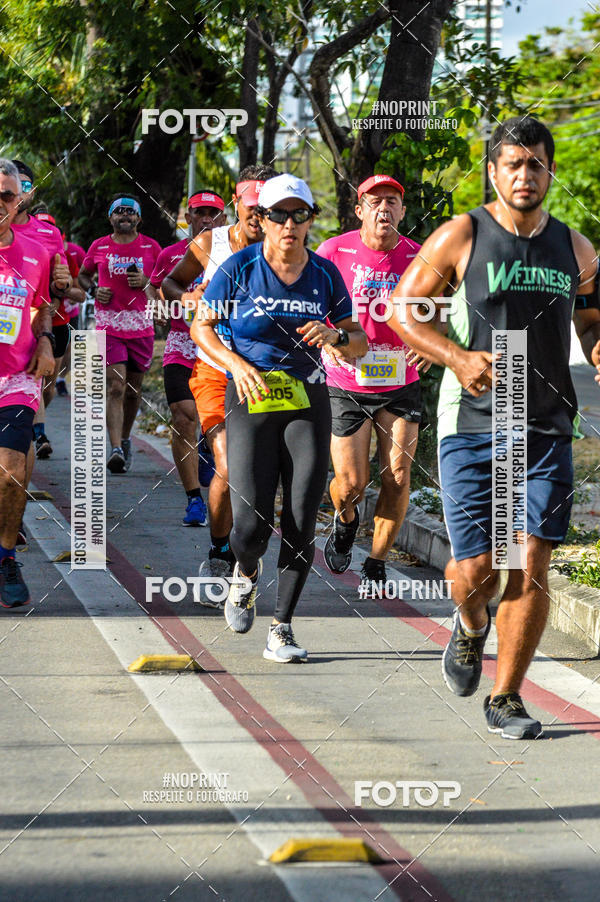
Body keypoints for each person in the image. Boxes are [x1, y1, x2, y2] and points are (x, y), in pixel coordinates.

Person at [390, 116, 600, 740]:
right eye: (513, 163)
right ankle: (472, 622)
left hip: (545, 423)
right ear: (493, 170)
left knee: (531, 562)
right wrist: (456, 356)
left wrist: (596, 348)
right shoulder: (462, 234)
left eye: (536, 163)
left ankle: (506, 697)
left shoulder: (577, 247)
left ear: (550, 170)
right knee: (476, 569)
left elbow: (590, 319)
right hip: (473, 421)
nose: (525, 175)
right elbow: (405, 310)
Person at [192, 173, 367, 661]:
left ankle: (283, 626)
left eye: (299, 214)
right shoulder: (240, 268)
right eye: (278, 214)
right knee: (249, 526)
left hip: (307, 402)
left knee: (300, 517)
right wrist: (237, 364)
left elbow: (359, 341)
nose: (289, 224)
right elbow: (201, 327)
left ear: (311, 220)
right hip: (250, 399)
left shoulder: (326, 274)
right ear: (263, 220)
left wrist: (334, 338)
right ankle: (244, 576)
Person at [164, 165, 278, 603]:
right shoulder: (210, 242)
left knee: (261, 471)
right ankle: (219, 548)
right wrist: (188, 297)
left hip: (268, 372)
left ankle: (249, 547)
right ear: (238, 203)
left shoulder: (284, 249)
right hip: (213, 368)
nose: (260, 216)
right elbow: (170, 283)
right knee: (228, 465)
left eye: (268, 209)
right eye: (253, 207)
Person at [317, 174, 425, 593]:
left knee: (397, 474)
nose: (385, 208)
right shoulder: (333, 251)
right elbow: (312, 303)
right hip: (347, 378)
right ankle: (345, 523)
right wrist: (327, 339)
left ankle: (377, 562)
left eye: (393, 201)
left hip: (401, 377)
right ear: (359, 209)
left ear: (402, 210)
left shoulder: (421, 256)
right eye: (375, 201)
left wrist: (431, 344)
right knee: (352, 484)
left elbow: (442, 308)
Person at [149, 190, 227, 525]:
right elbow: (159, 285)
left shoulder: (234, 252)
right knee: (183, 417)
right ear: (188, 218)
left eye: (214, 213)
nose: (207, 219)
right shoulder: (170, 254)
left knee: (215, 425)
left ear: (223, 218)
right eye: (200, 213)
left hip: (221, 348)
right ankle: (194, 499)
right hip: (182, 343)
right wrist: (160, 303)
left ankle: (209, 450)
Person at [0, 159, 55, 607]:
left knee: (11, 470)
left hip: (15, 377)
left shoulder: (35, 252)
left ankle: (5, 557)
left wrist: (46, 341)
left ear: (19, 199)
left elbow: (42, 307)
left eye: (5, 195)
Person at [78, 194, 161, 473]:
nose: (124, 216)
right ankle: (114, 449)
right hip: (109, 325)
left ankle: (124, 440)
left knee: (133, 391)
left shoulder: (151, 246)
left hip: (141, 327)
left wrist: (147, 282)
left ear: (139, 218)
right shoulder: (99, 246)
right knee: (115, 385)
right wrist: (93, 290)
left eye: (130, 212)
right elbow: (83, 275)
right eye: (119, 212)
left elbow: (165, 284)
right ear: (110, 217)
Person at [11, 162, 73, 459]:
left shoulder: (48, 234)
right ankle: (36, 433)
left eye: (24, 186)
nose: (17, 193)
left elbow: (57, 289)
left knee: (43, 392)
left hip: (38, 328)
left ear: (32, 191)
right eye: (10, 188)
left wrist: (62, 284)